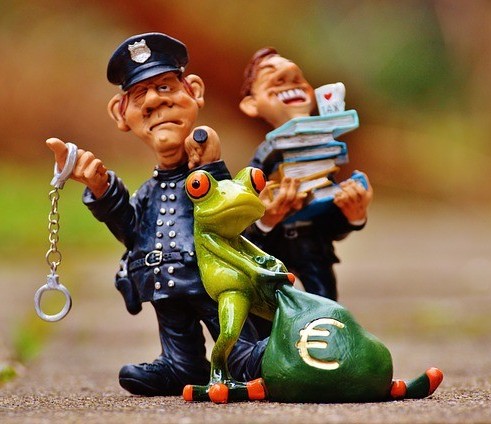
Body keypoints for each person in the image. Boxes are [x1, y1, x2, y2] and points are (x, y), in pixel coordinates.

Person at [46, 32, 266, 396]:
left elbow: (227, 211)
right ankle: (181, 364)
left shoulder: (204, 171)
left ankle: (250, 357)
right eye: (139, 97)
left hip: (213, 279)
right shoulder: (148, 192)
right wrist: (101, 187)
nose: (153, 101)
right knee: (177, 340)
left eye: (165, 87)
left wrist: (210, 167)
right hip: (163, 287)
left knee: (238, 344)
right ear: (121, 113)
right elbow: (130, 230)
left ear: (194, 91)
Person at [239, 47, 373, 308]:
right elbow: (244, 228)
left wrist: (353, 216)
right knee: (267, 311)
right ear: (251, 104)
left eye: (298, 77)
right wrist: (266, 219)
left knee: (326, 307)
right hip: (270, 255)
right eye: (272, 74)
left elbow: (330, 222)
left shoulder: (322, 158)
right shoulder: (264, 160)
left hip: (314, 250)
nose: (289, 75)